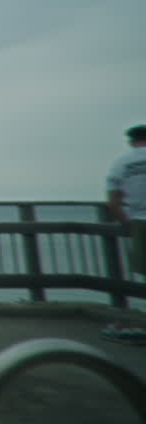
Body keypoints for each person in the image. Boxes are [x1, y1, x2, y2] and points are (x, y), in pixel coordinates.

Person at [101, 124, 146, 344]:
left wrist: (126, 224)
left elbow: (113, 202)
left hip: (140, 222)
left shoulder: (121, 163)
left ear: (131, 141)